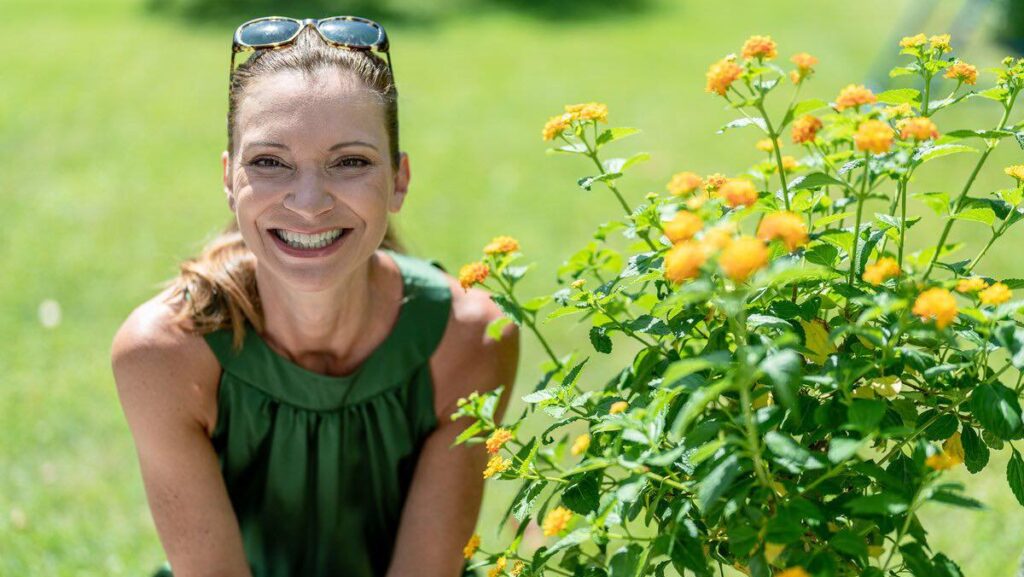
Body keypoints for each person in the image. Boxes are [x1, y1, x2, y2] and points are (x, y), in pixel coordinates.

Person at [110, 15, 519, 577]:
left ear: (398, 180)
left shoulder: (469, 338)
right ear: (229, 180)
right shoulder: (162, 354)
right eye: (269, 162)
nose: (308, 202)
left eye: (350, 161)